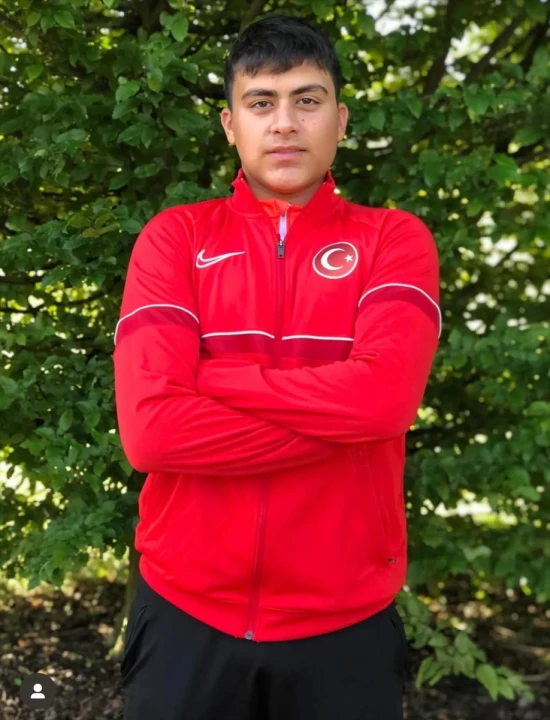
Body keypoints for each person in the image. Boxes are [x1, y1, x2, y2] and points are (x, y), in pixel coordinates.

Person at [113, 13, 441, 720]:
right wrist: (341, 421)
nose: (285, 122)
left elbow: (382, 403)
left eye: (307, 100)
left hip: (345, 621)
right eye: (261, 102)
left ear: (340, 120)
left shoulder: (393, 240)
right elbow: (152, 435)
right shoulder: (176, 238)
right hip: (184, 612)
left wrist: (211, 377)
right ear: (231, 125)